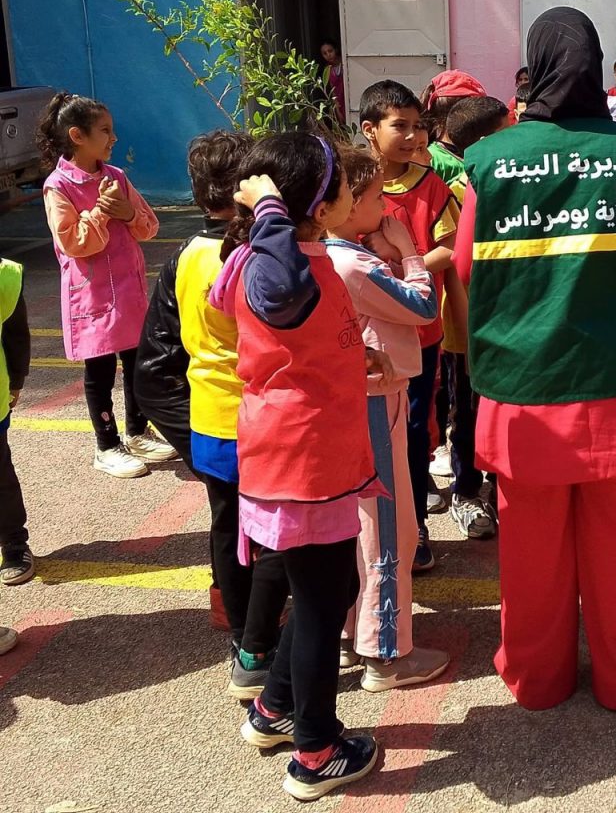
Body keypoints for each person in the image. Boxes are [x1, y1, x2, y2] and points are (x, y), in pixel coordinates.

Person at [456, 7, 616, 711]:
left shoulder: (489, 159)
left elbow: (465, 271)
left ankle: (538, 679)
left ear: (535, 67)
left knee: (531, 554)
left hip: (521, 391)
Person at [211, 132, 384, 801]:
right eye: (340, 184)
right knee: (320, 603)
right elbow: (282, 298)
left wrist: (351, 358)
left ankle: (275, 708)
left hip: (303, 458)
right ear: (316, 204)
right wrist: (270, 213)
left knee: (327, 593)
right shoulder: (276, 264)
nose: (350, 193)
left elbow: (294, 333)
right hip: (304, 464)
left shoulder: (287, 258)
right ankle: (316, 751)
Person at [134, 130, 289, 698]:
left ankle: (242, 635)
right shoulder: (253, 256)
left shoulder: (184, 256)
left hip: (208, 419)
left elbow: (161, 358)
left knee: (229, 528)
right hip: (258, 417)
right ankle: (259, 645)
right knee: (275, 534)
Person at [324, 147, 450, 691]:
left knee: (355, 524)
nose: (386, 208)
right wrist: (409, 252)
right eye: (376, 197)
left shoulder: (324, 254)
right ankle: (386, 652)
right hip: (376, 400)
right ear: (347, 204)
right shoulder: (355, 264)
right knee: (387, 527)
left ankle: (351, 633)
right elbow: (422, 307)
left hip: (352, 399)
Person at [38, 92, 176, 478]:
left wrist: (128, 213)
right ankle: (106, 444)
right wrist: (100, 211)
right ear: (77, 136)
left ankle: (137, 431)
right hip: (92, 296)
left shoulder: (116, 177)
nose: (113, 138)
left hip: (128, 290)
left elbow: (148, 227)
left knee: (136, 362)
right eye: (105, 131)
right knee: (99, 370)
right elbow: (74, 243)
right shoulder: (58, 186)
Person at [361, 81, 460, 572]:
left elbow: (452, 247)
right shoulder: (349, 184)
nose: (411, 136)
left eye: (417, 126)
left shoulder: (431, 184)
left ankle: (414, 527)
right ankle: (365, 537)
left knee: (414, 435)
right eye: (398, 125)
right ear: (369, 130)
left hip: (419, 336)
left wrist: (403, 267)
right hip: (360, 341)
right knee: (366, 440)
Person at [433, 96, 509, 541]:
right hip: (466, 326)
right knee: (466, 413)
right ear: (485, 143)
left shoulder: (511, 183)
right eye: (507, 131)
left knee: (501, 412)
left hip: (506, 324)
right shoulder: (461, 192)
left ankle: (502, 489)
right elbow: (457, 262)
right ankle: (465, 491)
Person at [0, 255, 32, 587]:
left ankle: (13, 541)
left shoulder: (4, 276)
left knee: (0, 476)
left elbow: (15, 333)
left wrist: (16, 379)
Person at [320, 40, 346, 125]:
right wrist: (337, 110)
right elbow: (333, 90)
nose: (328, 55)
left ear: (336, 50)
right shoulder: (328, 69)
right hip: (340, 101)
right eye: (325, 53)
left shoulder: (345, 62)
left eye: (330, 51)